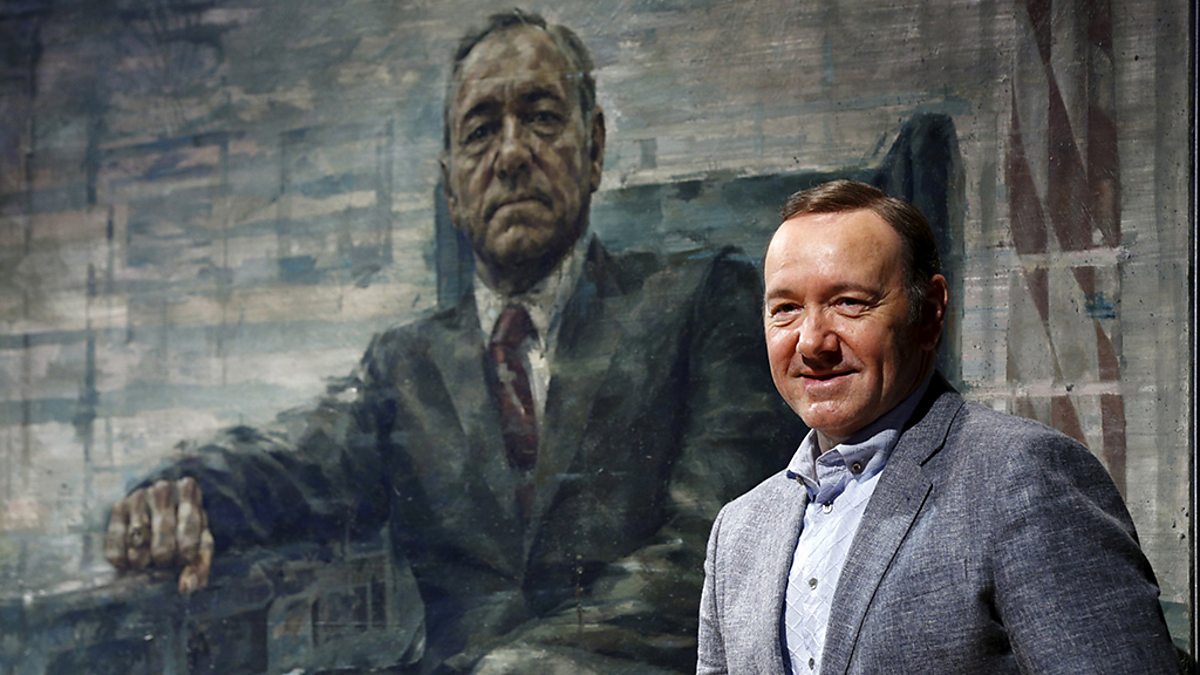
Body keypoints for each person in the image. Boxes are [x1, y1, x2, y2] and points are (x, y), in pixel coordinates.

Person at [103, 9, 803, 673]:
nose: (511, 154)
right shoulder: (406, 365)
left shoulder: (700, 301)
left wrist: (524, 666)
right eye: (480, 130)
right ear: (451, 189)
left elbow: (715, 545)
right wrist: (184, 492)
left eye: (541, 117)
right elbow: (298, 460)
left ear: (593, 149)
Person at [696, 179, 1179, 674]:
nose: (812, 342)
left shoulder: (1020, 478)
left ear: (929, 312)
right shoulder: (739, 531)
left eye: (849, 302)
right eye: (786, 309)